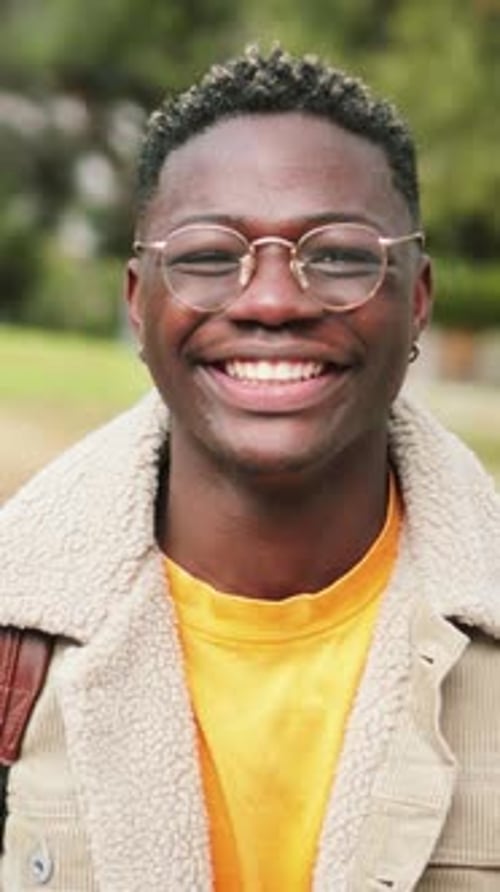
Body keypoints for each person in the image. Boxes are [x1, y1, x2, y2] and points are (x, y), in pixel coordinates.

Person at [1, 45, 499, 892]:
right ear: (137, 301)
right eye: (206, 256)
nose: (271, 300)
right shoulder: (20, 626)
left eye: (341, 254)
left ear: (416, 298)